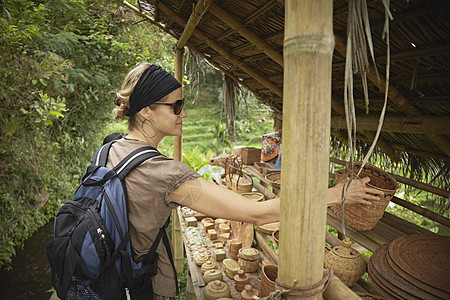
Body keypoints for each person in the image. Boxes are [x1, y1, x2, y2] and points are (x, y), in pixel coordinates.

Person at [110, 62, 383, 299]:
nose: (184, 114)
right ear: (146, 111)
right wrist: (339, 193)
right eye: (176, 106)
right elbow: (258, 212)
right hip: (141, 284)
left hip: (114, 270)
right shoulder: (163, 172)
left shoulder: (112, 148)